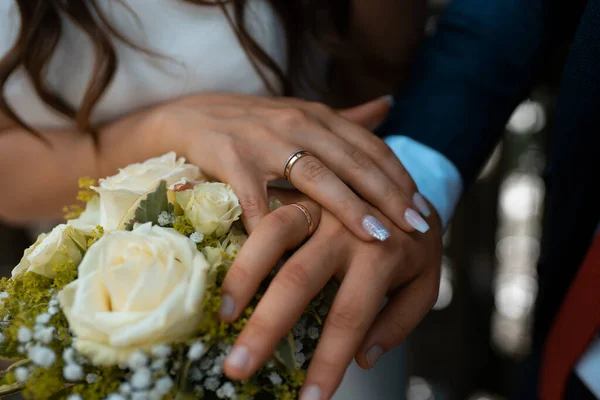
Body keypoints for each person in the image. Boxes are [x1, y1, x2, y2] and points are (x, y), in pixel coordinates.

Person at [0, 1, 437, 399]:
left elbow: (383, 89)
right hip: (104, 306)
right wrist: (165, 130)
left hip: (317, 265)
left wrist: (367, 185)